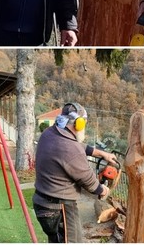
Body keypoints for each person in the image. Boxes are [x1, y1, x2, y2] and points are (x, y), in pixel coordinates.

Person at [33, 103, 118, 243]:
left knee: (56, 240)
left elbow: (78, 145)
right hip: (59, 208)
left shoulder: (49, 133)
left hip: (42, 203)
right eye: (84, 123)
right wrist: (102, 189)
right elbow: (88, 181)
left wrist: (101, 153)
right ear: (78, 123)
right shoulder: (70, 149)